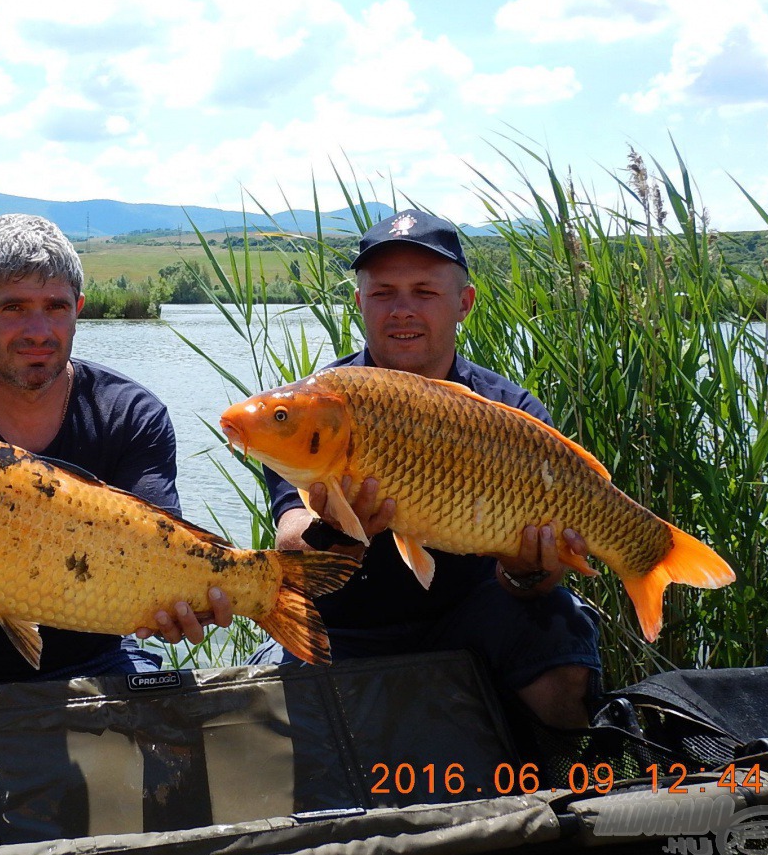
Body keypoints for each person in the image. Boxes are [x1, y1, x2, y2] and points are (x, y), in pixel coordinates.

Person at [248, 210, 601, 728]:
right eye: (384, 292)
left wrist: (530, 571)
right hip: (348, 624)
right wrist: (336, 531)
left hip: (473, 616)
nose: (402, 311)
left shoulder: (513, 415)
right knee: (282, 708)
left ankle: (567, 781)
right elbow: (292, 537)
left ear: (464, 304)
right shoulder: (312, 409)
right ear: (359, 302)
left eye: (425, 292)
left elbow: (538, 580)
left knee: (559, 632)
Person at [0, 213, 232, 683]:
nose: (38, 330)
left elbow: (166, 545)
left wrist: (191, 601)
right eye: (13, 308)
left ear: (78, 310)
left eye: (55, 307)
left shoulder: (131, 414)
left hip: (101, 657)